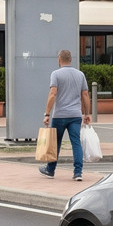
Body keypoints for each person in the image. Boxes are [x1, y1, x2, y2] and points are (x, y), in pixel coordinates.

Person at [40, 48, 91, 181]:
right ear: (70, 60)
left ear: (59, 59)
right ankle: (78, 173)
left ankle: (50, 170)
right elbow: (85, 95)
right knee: (76, 143)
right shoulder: (80, 75)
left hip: (59, 115)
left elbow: (53, 94)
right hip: (75, 115)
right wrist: (87, 113)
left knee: (55, 143)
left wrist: (47, 114)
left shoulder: (55, 74)